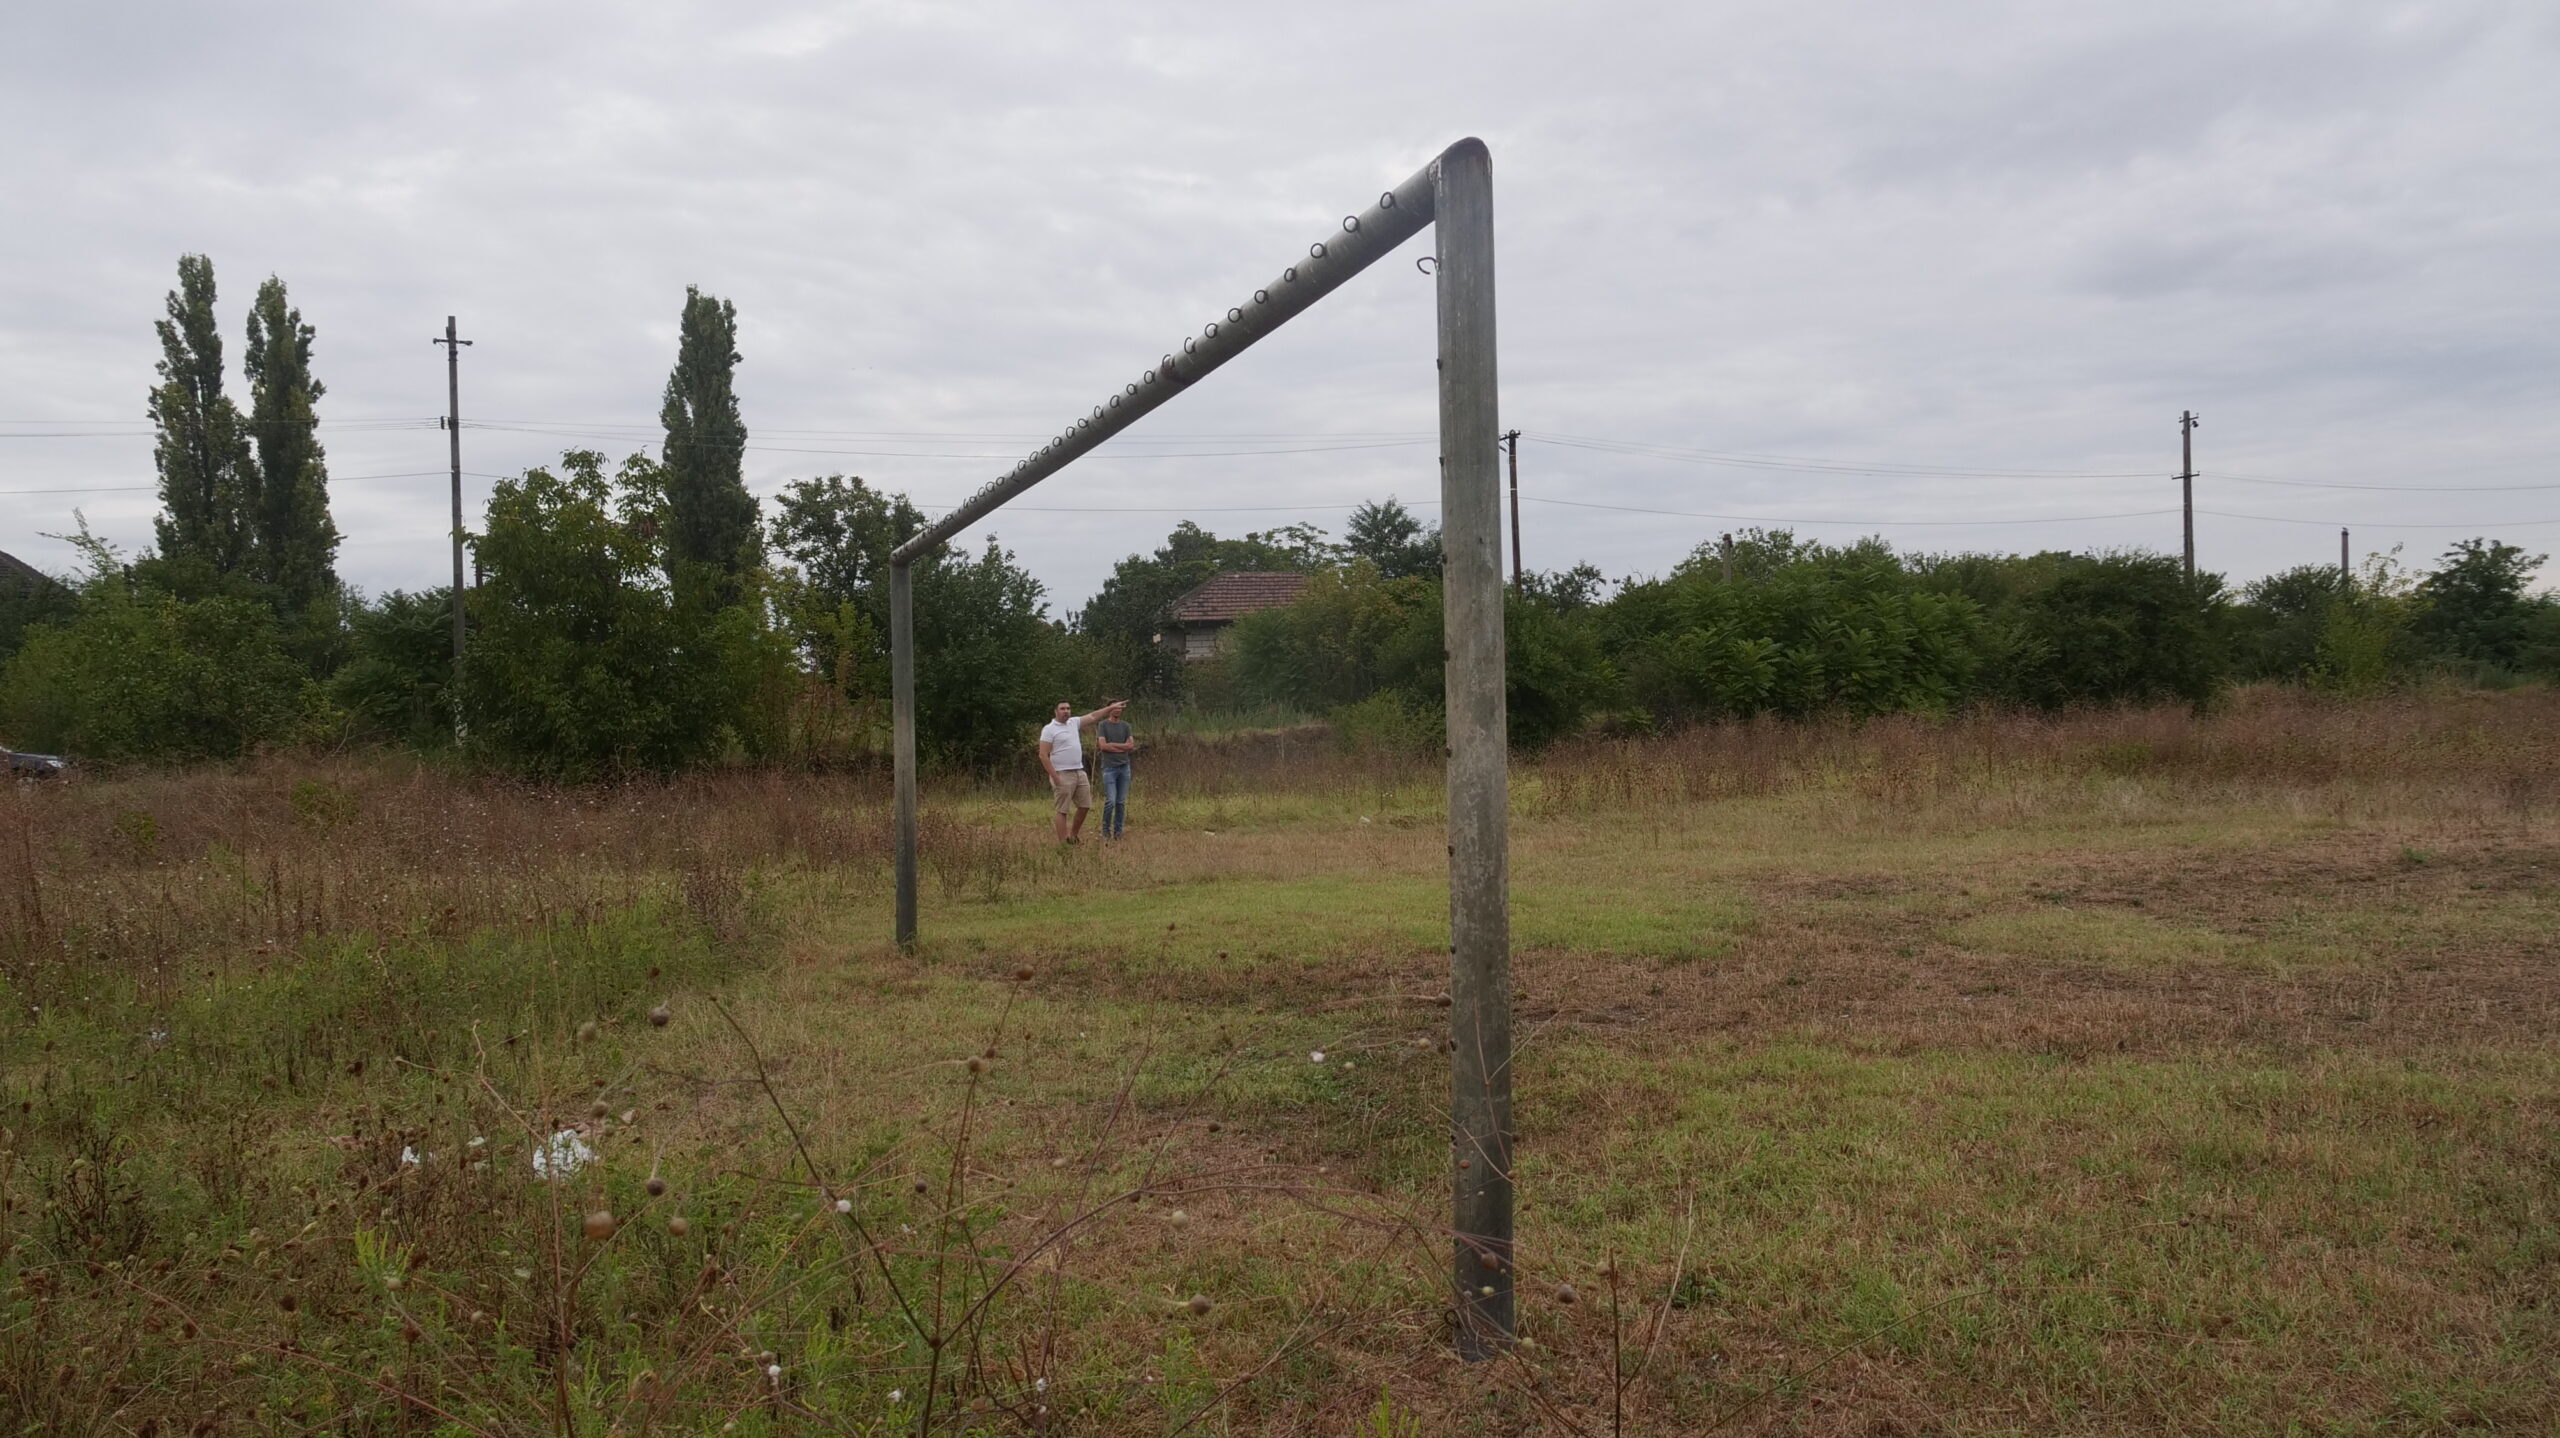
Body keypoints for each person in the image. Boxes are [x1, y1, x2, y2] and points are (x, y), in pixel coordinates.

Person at [1037, 698, 1119, 844]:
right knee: (1063, 810)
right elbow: (1043, 755)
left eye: (1068, 708)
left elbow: (1093, 716)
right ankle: (1063, 843)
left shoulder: (1074, 723)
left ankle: (1073, 836)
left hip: (1079, 771)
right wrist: (1055, 777)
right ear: (1056, 711)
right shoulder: (1049, 729)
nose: (1066, 711)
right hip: (1062, 773)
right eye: (1062, 709)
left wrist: (1110, 708)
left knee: (1085, 805)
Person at [1093, 701, 1136, 839]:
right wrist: (1122, 747)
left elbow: (1131, 745)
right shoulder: (1103, 725)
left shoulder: (1126, 726)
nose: (1118, 710)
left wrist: (1113, 745)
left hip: (1124, 767)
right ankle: (1106, 831)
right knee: (1110, 801)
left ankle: (1118, 832)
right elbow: (1103, 746)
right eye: (1115, 708)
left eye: (1120, 708)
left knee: (1120, 802)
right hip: (1109, 768)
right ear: (1109, 709)